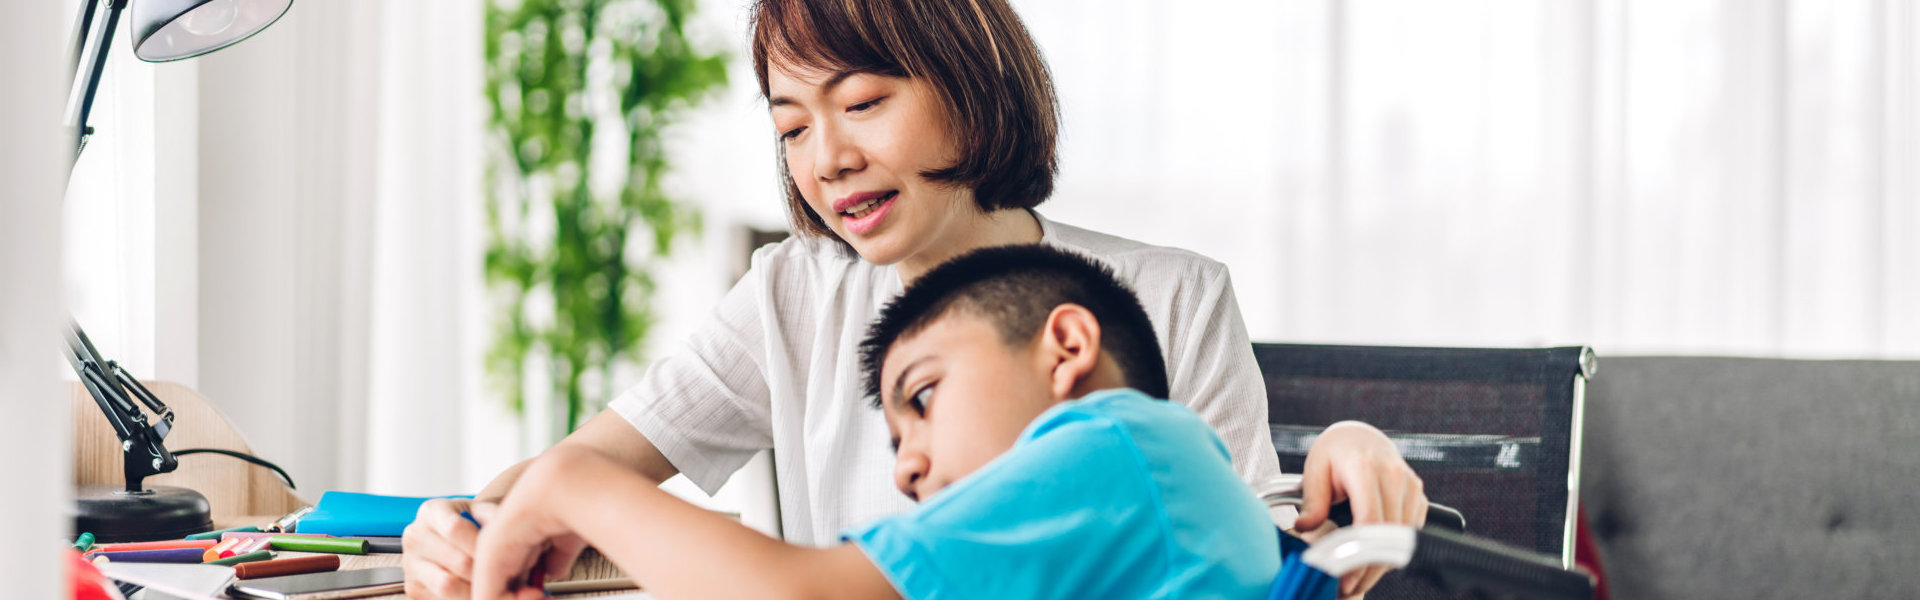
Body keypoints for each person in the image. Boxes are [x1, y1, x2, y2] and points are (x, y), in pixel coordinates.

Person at [403, 0, 1426, 598]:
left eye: (861, 102)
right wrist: (461, 527)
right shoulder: (796, 292)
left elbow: (1246, 550)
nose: (828, 158)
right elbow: (571, 470)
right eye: (791, 125)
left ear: (966, 80)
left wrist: (1349, 447)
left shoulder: (1159, 320)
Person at [467, 244, 1418, 599]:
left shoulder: (1116, 443)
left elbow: (806, 597)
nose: (909, 466)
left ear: (1066, 348)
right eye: (895, 439)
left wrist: (573, 487)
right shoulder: (1136, 488)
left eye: (923, 399)